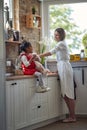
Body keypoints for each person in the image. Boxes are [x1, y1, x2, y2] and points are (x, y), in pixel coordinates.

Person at [39, 28, 76, 122]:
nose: (55, 36)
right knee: (65, 94)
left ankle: (72, 117)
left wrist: (39, 55)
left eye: (57, 35)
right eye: (55, 35)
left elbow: (51, 52)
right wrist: (57, 71)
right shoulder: (61, 44)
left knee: (68, 94)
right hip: (63, 68)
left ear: (62, 35)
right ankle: (72, 116)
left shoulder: (61, 43)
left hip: (65, 68)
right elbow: (61, 60)